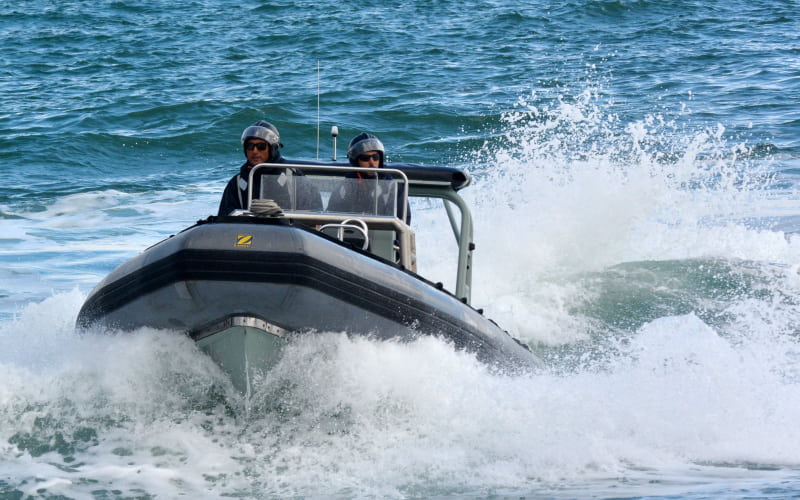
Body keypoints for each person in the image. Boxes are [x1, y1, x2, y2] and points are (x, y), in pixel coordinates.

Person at [217, 121, 322, 216]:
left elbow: (314, 214)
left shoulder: (294, 178)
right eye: (250, 146)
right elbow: (224, 219)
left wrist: (282, 215)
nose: (255, 151)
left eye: (261, 146)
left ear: (272, 148)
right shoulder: (237, 183)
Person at [327, 132, 410, 223]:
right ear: (356, 161)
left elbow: (404, 221)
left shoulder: (393, 188)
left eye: (375, 157)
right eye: (365, 158)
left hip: (383, 234)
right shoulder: (345, 187)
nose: (372, 163)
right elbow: (331, 217)